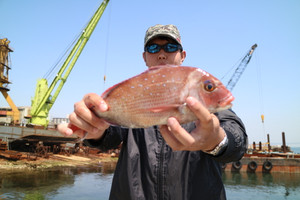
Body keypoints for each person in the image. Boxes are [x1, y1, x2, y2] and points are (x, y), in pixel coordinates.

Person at [58, 24, 247, 200]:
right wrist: (96, 129)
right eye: (154, 48)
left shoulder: (209, 109)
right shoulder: (134, 93)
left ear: (183, 55)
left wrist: (216, 141)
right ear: (145, 57)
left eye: (171, 47)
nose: (162, 54)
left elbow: (237, 139)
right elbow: (111, 134)